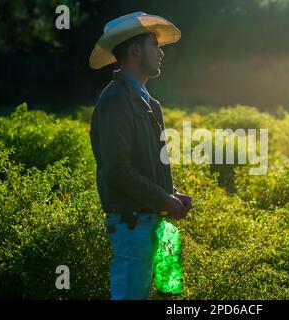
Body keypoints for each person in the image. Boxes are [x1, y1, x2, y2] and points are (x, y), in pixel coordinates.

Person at [88, 12, 192, 300]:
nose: (160, 53)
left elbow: (148, 166)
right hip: (130, 223)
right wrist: (164, 199)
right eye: (154, 45)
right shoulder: (115, 100)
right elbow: (117, 170)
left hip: (149, 220)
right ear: (135, 50)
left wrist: (173, 194)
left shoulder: (151, 105)